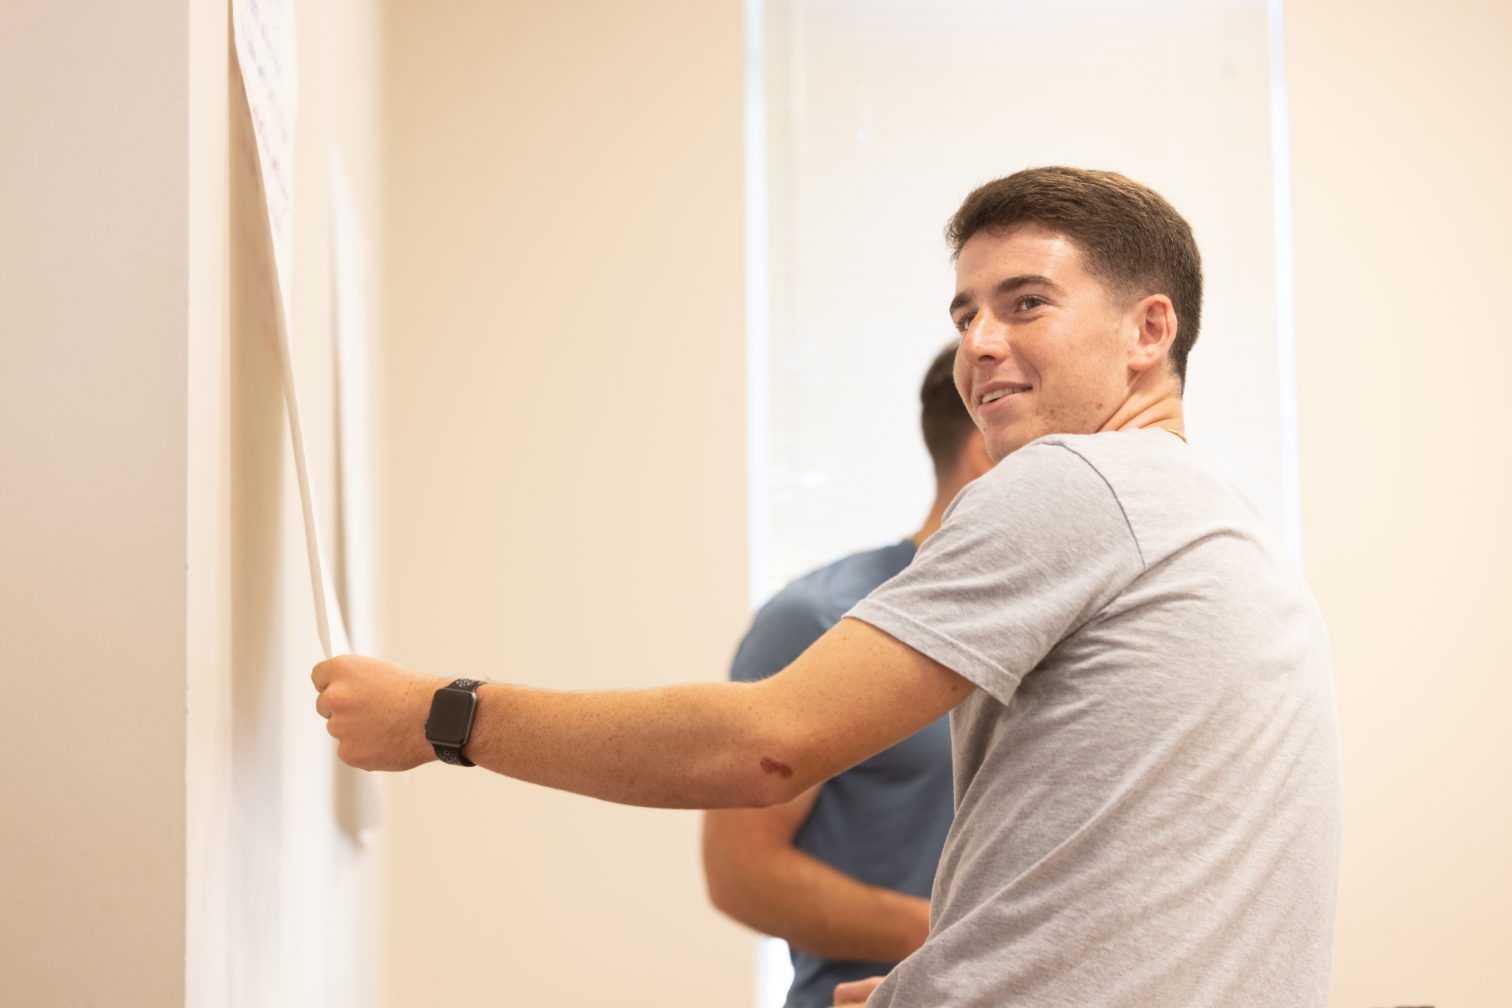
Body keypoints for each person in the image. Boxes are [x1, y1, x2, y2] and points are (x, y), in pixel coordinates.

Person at [313, 166, 1341, 1007]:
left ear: (1148, 331)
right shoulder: (1223, 526)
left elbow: (763, 744)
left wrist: (440, 716)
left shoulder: (1073, 481)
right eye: (967, 312)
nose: (979, 344)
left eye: (1026, 304)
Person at [702, 342, 992, 1008]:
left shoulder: (1059, 630)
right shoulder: (819, 618)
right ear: (987, 442)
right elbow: (740, 872)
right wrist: (963, 941)